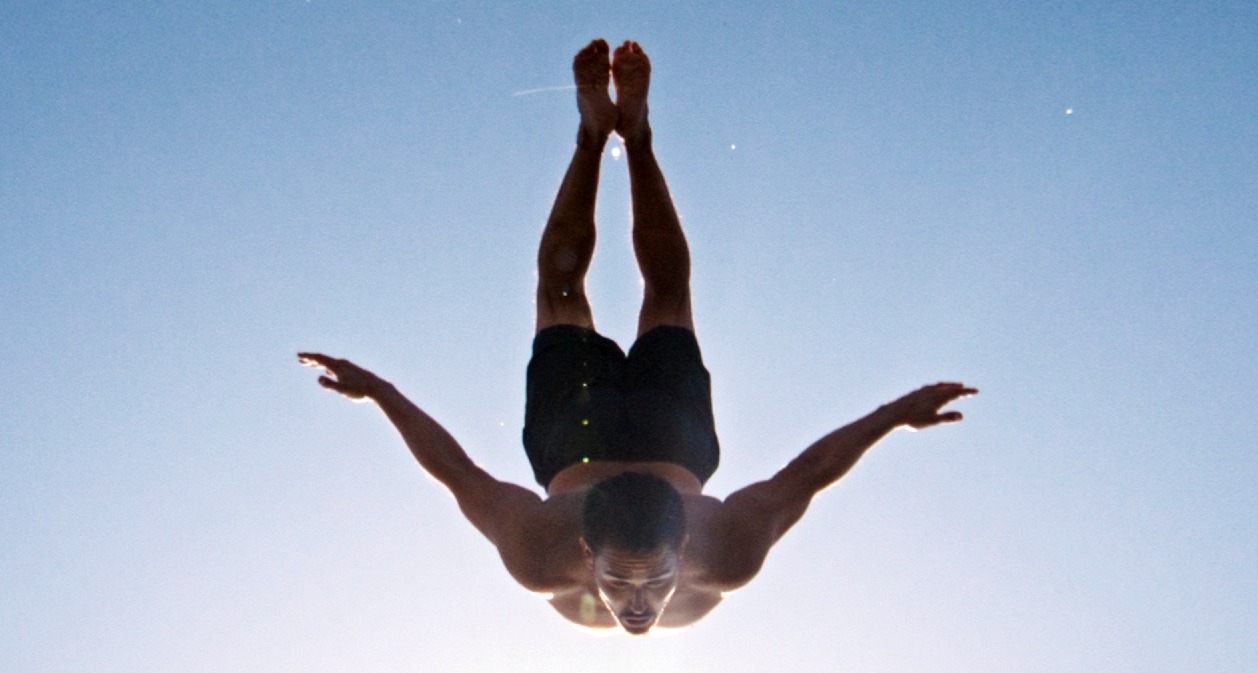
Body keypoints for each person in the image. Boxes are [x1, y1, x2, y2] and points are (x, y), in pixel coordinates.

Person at [298, 39, 976, 634]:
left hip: (574, 435)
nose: (638, 602)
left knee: (562, 292)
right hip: (671, 437)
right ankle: (632, 136)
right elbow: (807, 475)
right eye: (623, 580)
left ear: (686, 544)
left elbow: (458, 472)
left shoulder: (538, 554)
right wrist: (894, 413)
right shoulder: (724, 552)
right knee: (666, 295)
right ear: (585, 551)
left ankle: (601, 135)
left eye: (653, 578)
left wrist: (379, 390)